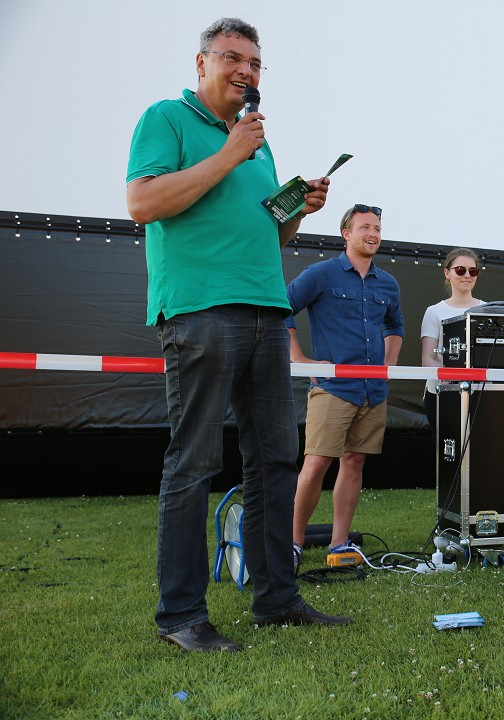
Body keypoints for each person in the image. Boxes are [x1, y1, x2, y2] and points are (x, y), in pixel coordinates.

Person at [126, 17, 348, 653]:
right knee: (193, 463)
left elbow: (269, 235)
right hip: (200, 310)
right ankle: (182, 618)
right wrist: (228, 153)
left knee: (275, 462)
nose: (246, 71)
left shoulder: (258, 144)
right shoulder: (166, 120)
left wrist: (296, 209)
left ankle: (277, 599)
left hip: (265, 311)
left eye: (255, 62)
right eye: (233, 58)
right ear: (202, 65)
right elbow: (142, 203)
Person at [287, 204, 404, 568]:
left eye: (378, 228)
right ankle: (292, 544)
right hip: (333, 388)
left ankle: (339, 545)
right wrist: (301, 361)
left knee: (353, 463)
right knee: (317, 463)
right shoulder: (321, 274)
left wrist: (388, 366)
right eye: (365, 227)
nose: (373, 233)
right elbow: (281, 308)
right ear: (346, 234)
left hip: (374, 392)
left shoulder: (388, 283)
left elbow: (395, 327)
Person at [420, 248, 485, 436]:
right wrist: (446, 378)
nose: (467, 275)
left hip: (479, 395)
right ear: (447, 273)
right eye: (460, 270)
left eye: (473, 271)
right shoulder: (434, 311)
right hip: (442, 394)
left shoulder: (487, 309)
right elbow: (428, 359)